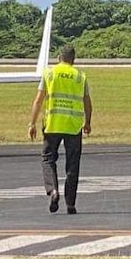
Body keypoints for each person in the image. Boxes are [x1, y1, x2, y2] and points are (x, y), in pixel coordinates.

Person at [28, 45, 92, 215]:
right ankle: (70, 203)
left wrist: (32, 123)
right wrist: (88, 122)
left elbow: (38, 100)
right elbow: (87, 102)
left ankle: (53, 191)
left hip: (53, 124)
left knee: (48, 159)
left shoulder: (50, 73)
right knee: (73, 164)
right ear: (74, 59)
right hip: (73, 125)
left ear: (59, 58)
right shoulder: (80, 76)